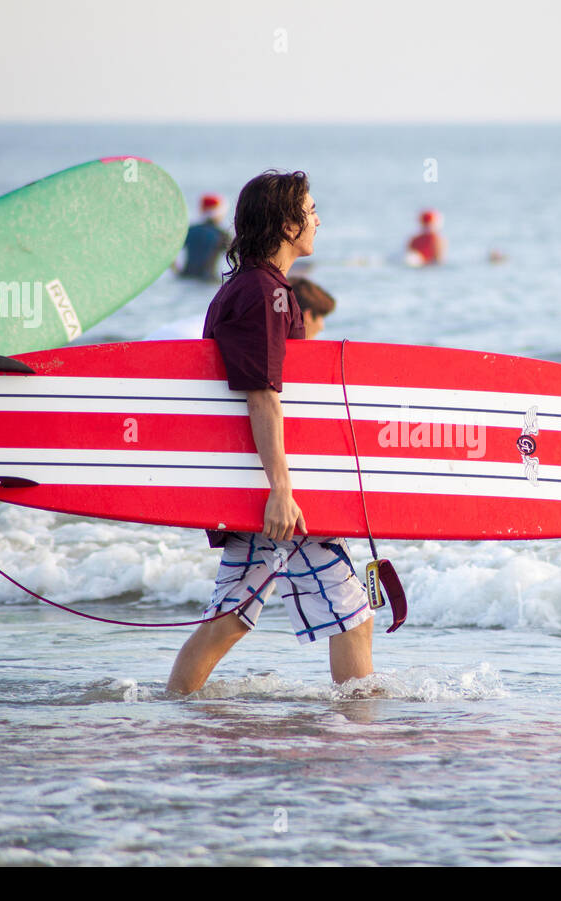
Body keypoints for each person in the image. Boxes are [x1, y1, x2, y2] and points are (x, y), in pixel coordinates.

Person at [167, 171, 374, 694]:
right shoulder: (262, 294)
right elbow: (261, 395)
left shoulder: (260, 288)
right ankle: (355, 726)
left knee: (230, 620)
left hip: (258, 481)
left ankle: (174, 709)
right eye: (310, 210)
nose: (318, 220)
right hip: (271, 489)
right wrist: (281, 491)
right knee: (351, 610)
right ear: (287, 224)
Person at [175, 193, 231, 281]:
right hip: (208, 281)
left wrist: (177, 272)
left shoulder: (189, 231)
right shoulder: (221, 234)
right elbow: (237, 261)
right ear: (219, 212)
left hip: (185, 278)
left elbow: (170, 255)